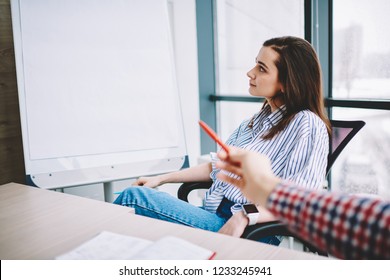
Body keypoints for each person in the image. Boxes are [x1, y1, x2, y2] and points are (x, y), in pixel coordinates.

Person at [114, 36, 331, 242]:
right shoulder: (258, 120)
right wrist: (161, 179)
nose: (250, 72)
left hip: (249, 230)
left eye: (261, 68)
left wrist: (245, 215)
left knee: (133, 198)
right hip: (216, 216)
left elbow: (302, 200)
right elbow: (218, 167)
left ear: (286, 82)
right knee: (138, 214)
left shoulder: (307, 124)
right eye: (255, 64)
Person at [216, 147, 390, 259]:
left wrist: (252, 205)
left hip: (243, 222)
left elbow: (373, 227)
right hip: (223, 210)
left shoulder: (308, 124)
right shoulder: (255, 121)